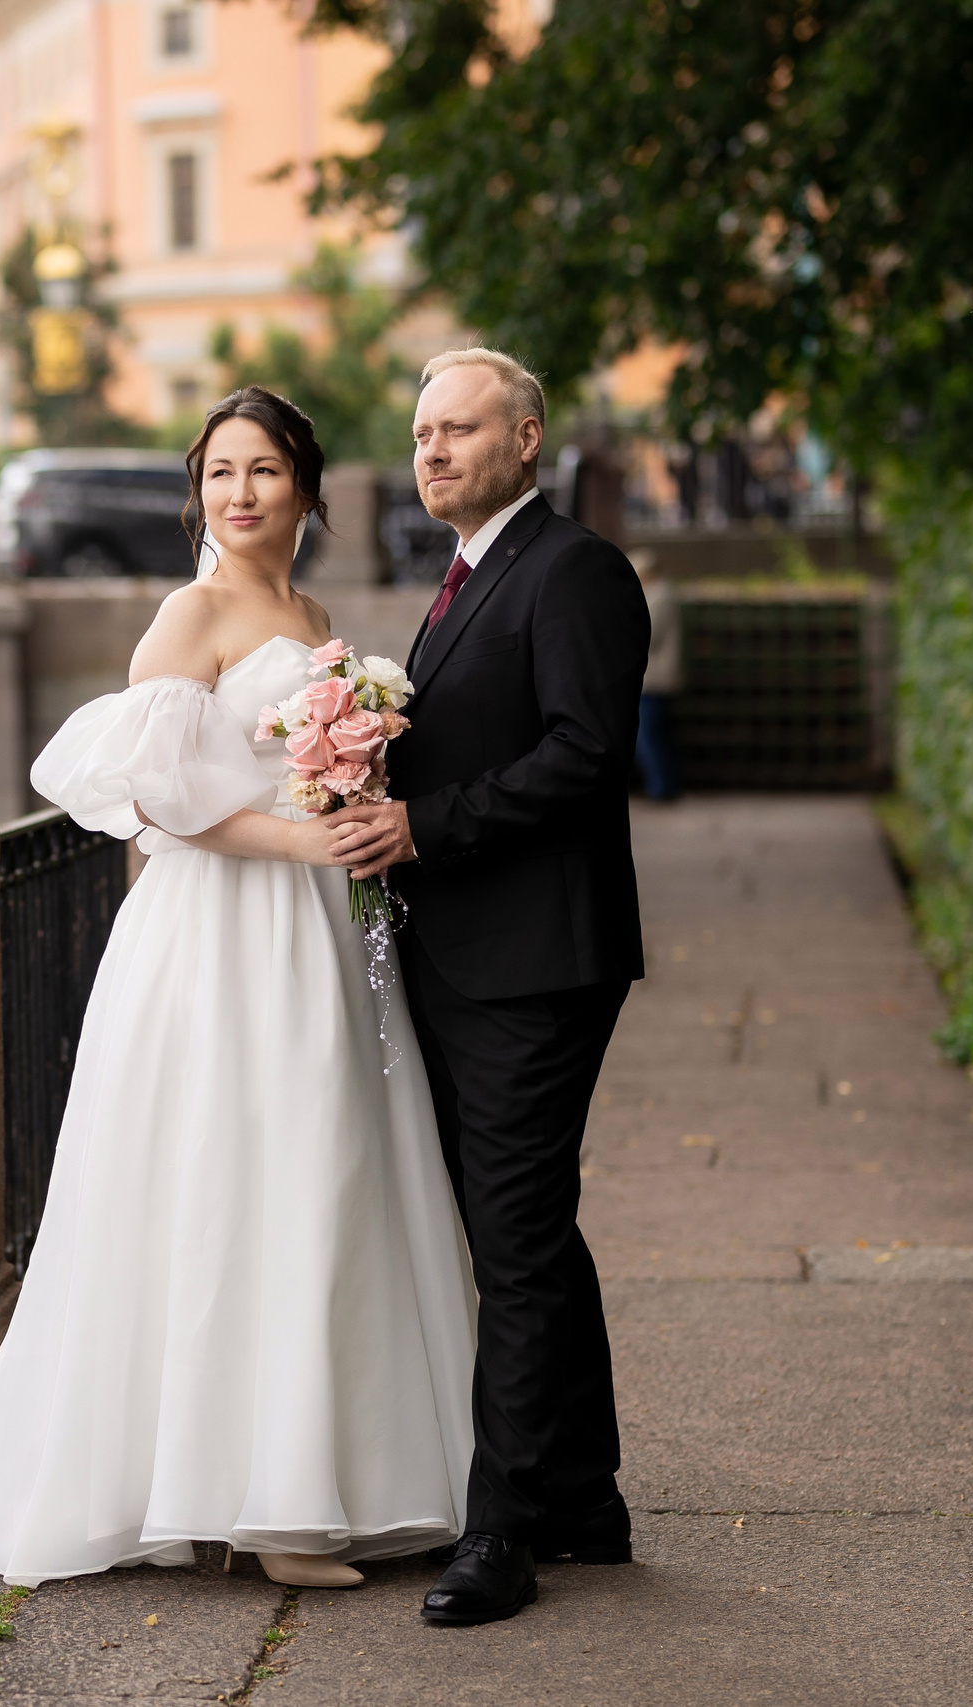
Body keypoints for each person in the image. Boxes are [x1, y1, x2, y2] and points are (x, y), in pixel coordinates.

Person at [0, 386, 478, 1590]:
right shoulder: (190, 612)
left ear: (306, 491)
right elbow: (162, 806)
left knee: (326, 1171)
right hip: (219, 930)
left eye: (264, 471)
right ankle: (257, 1507)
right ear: (196, 493)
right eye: (219, 473)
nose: (241, 493)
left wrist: (344, 809)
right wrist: (305, 842)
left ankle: (305, 1481)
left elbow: (287, 777)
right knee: (223, 1176)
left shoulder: (310, 613)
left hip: (316, 926)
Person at [355, 347, 650, 1625]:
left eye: (458, 429)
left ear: (525, 439)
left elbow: (586, 757)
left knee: (515, 1244)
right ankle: (583, 1499)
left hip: (537, 961)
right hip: (470, 952)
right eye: (421, 432)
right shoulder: (465, 575)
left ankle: (503, 1533)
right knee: (523, 1232)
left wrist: (423, 826)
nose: (431, 451)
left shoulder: (575, 570)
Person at [634, 549, 684, 801]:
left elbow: (647, 634)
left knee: (649, 737)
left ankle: (662, 788)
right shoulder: (658, 593)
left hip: (655, 681)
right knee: (653, 736)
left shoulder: (659, 596)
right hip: (654, 680)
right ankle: (661, 786)